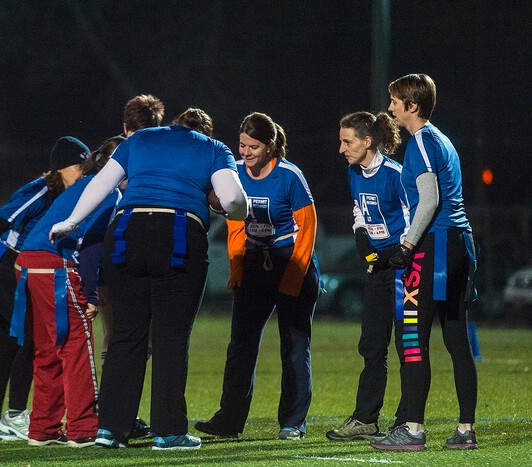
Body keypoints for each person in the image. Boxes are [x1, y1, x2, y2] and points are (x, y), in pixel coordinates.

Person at [49, 108, 248, 450]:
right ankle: (169, 431)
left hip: (127, 231)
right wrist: (241, 213)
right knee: (171, 337)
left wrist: (72, 221)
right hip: (179, 233)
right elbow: (230, 198)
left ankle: (111, 429)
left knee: (126, 335)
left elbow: (102, 182)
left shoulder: (140, 138)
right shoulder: (215, 148)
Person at [0, 137, 86, 442]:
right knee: (29, 342)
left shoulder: (66, 194)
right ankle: (15, 416)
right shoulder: (42, 189)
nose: (84, 172)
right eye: (80, 166)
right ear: (61, 167)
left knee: (10, 346)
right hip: (4, 267)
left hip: (15, 269)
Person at [194, 112, 320, 441]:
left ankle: (293, 422)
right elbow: (236, 223)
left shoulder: (290, 176)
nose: (246, 152)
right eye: (242, 145)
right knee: (240, 345)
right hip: (254, 261)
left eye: (253, 146)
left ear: (271, 146)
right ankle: (229, 421)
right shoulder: (234, 172)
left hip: (290, 259)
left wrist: (293, 277)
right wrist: (237, 268)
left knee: (294, 346)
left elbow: (307, 229)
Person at [371, 73, 478, 450]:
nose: (390, 108)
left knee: (413, 337)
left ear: (411, 106)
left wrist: (406, 244)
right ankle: (465, 430)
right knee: (457, 340)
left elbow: (429, 200)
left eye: (395, 102)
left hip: (436, 246)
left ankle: (412, 429)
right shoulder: (442, 140)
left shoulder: (420, 142)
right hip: (460, 243)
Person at [12, 135, 121, 447]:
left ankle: (43, 428)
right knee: (76, 346)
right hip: (55, 265)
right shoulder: (106, 190)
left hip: (27, 263)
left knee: (48, 347)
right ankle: (83, 429)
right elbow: (91, 248)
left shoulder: (81, 186)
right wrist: (91, 295)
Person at [326, 111, 410, 441]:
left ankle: (406, 420)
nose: (341, 148)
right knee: (372, 345)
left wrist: (399, 251)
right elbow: (360, 208)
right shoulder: (353, 171)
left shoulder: (395, 174)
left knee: (408, 348)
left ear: (367, 141)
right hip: (378, 269)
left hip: (404, 270)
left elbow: (412, 214)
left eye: (347, 141)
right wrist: (361, 233)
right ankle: (366, 419)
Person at [97, 94, 166, 365]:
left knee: (116, 333)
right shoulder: (163, 157)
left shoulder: (119, 151)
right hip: (139, 257)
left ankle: (113, 402)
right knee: (137, 333)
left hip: (111, 260)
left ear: (126, 126)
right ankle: (117, 402)